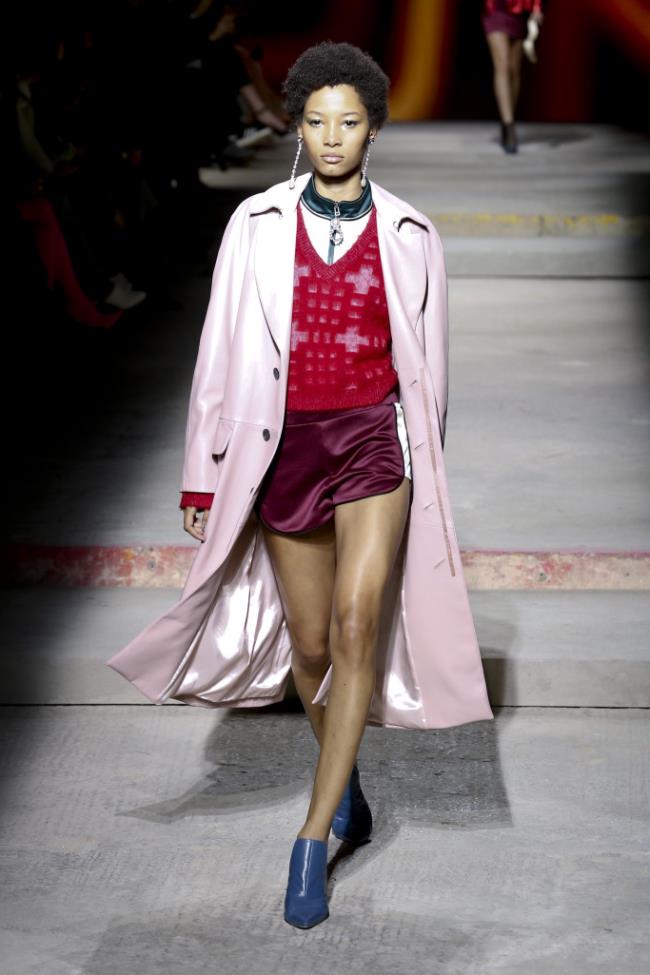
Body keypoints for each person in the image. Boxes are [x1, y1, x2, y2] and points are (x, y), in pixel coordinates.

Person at [106, 41, 493, 929]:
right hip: (283, 447)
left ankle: (312, 836)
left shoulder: (411, 234)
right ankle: (342, 776)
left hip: (372, 444)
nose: (331, 136)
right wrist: (202, 474)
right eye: (316, 121)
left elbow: (430, 368)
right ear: (297, 125)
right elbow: (218, 349)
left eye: (348, 122)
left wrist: (424, 466)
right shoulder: (255, 224)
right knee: (311, 647)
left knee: (357, 625)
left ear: (373, 129)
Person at [481, 0, 544, 153]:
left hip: (520, 8)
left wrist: (537, 7)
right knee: (502, 65)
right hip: (494, 8)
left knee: (514, 70)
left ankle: (507, 119)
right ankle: (509, 126)